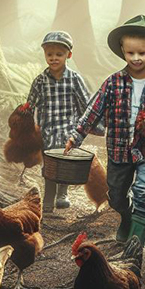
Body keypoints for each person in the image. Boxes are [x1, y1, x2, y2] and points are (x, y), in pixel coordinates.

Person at [65, 15, 145, 245]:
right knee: (115, 196)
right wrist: (76, 136)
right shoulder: (112, 83)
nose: (136, 58)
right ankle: (126, 215)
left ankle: (136, 244)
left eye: (142, 53)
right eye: (130, 53)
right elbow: (93, 111)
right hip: (118, 150)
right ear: (122, 50)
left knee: (144, 191)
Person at [22, 31, 91, 212]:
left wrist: (92, 126)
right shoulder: (40, 81)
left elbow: (86, 104)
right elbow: (31, 104)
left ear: (68, 55)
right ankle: (48, 198)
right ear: (45, 55)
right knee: (50, 166)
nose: (53, 58)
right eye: (49, 54)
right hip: (48, 132)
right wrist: (24, 120)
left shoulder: (74, 79)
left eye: (58, 54)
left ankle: (62, 194)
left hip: (68, 130)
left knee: (65, 164)